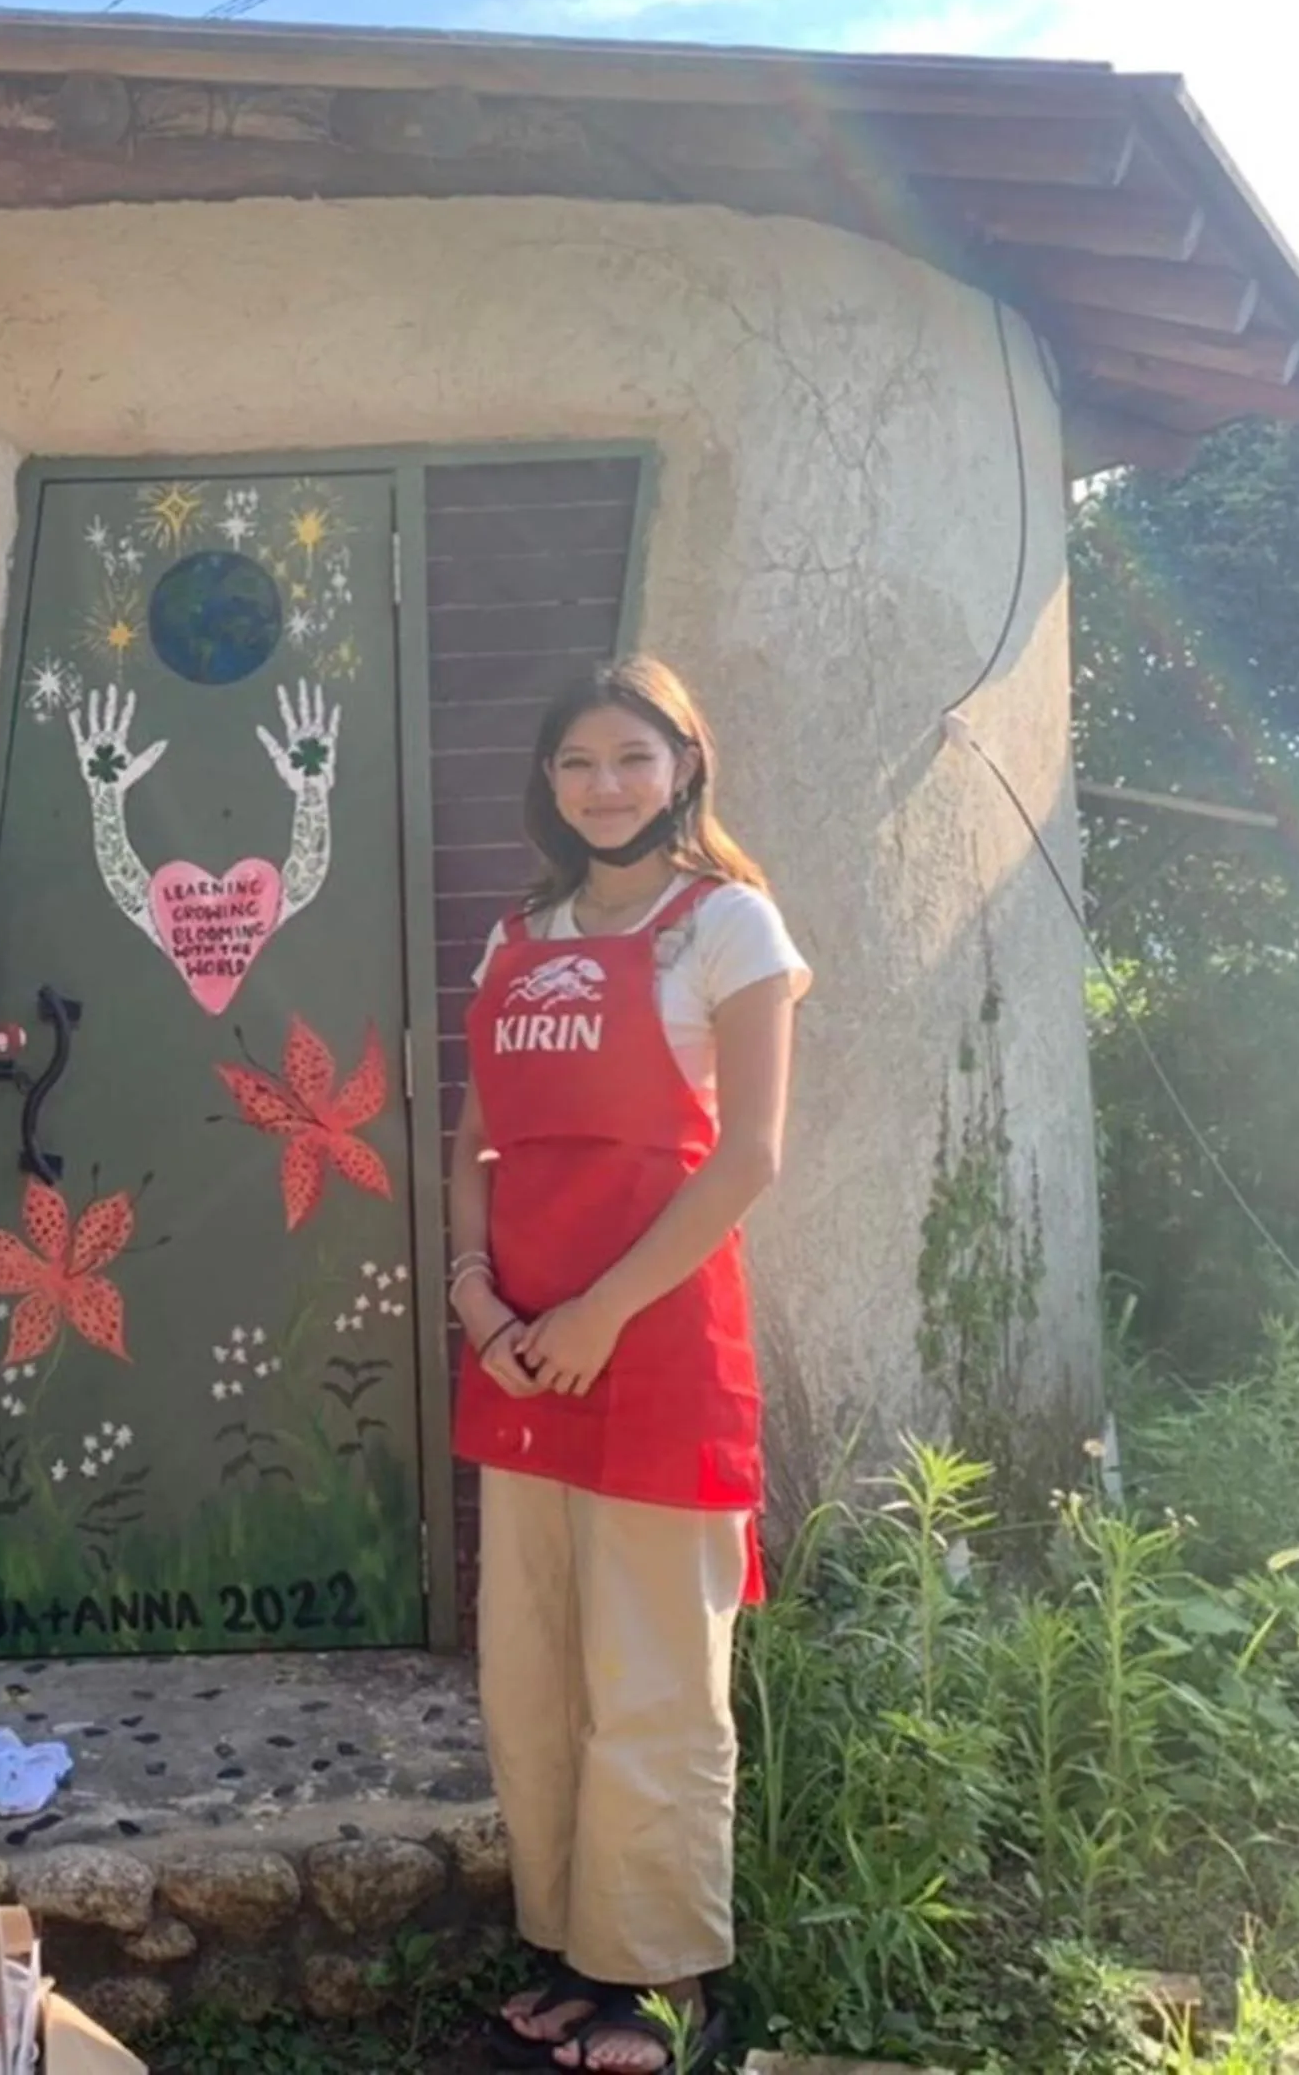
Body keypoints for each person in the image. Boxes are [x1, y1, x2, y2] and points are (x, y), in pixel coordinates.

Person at [450, 659, 810, 2074]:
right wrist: (479, 1297)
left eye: (632, 758)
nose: (604, 785)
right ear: (549, 787)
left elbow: (751, 1157)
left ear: (683, 768)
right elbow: (474, 1140)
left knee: (658, 1677)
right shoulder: (515, 937)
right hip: (521, 1358)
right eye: (577, 763)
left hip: (656, 1349)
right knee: (531, 1674)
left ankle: (661, 1980)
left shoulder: (726, 925)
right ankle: (565, 1944)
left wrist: (602, 1310)